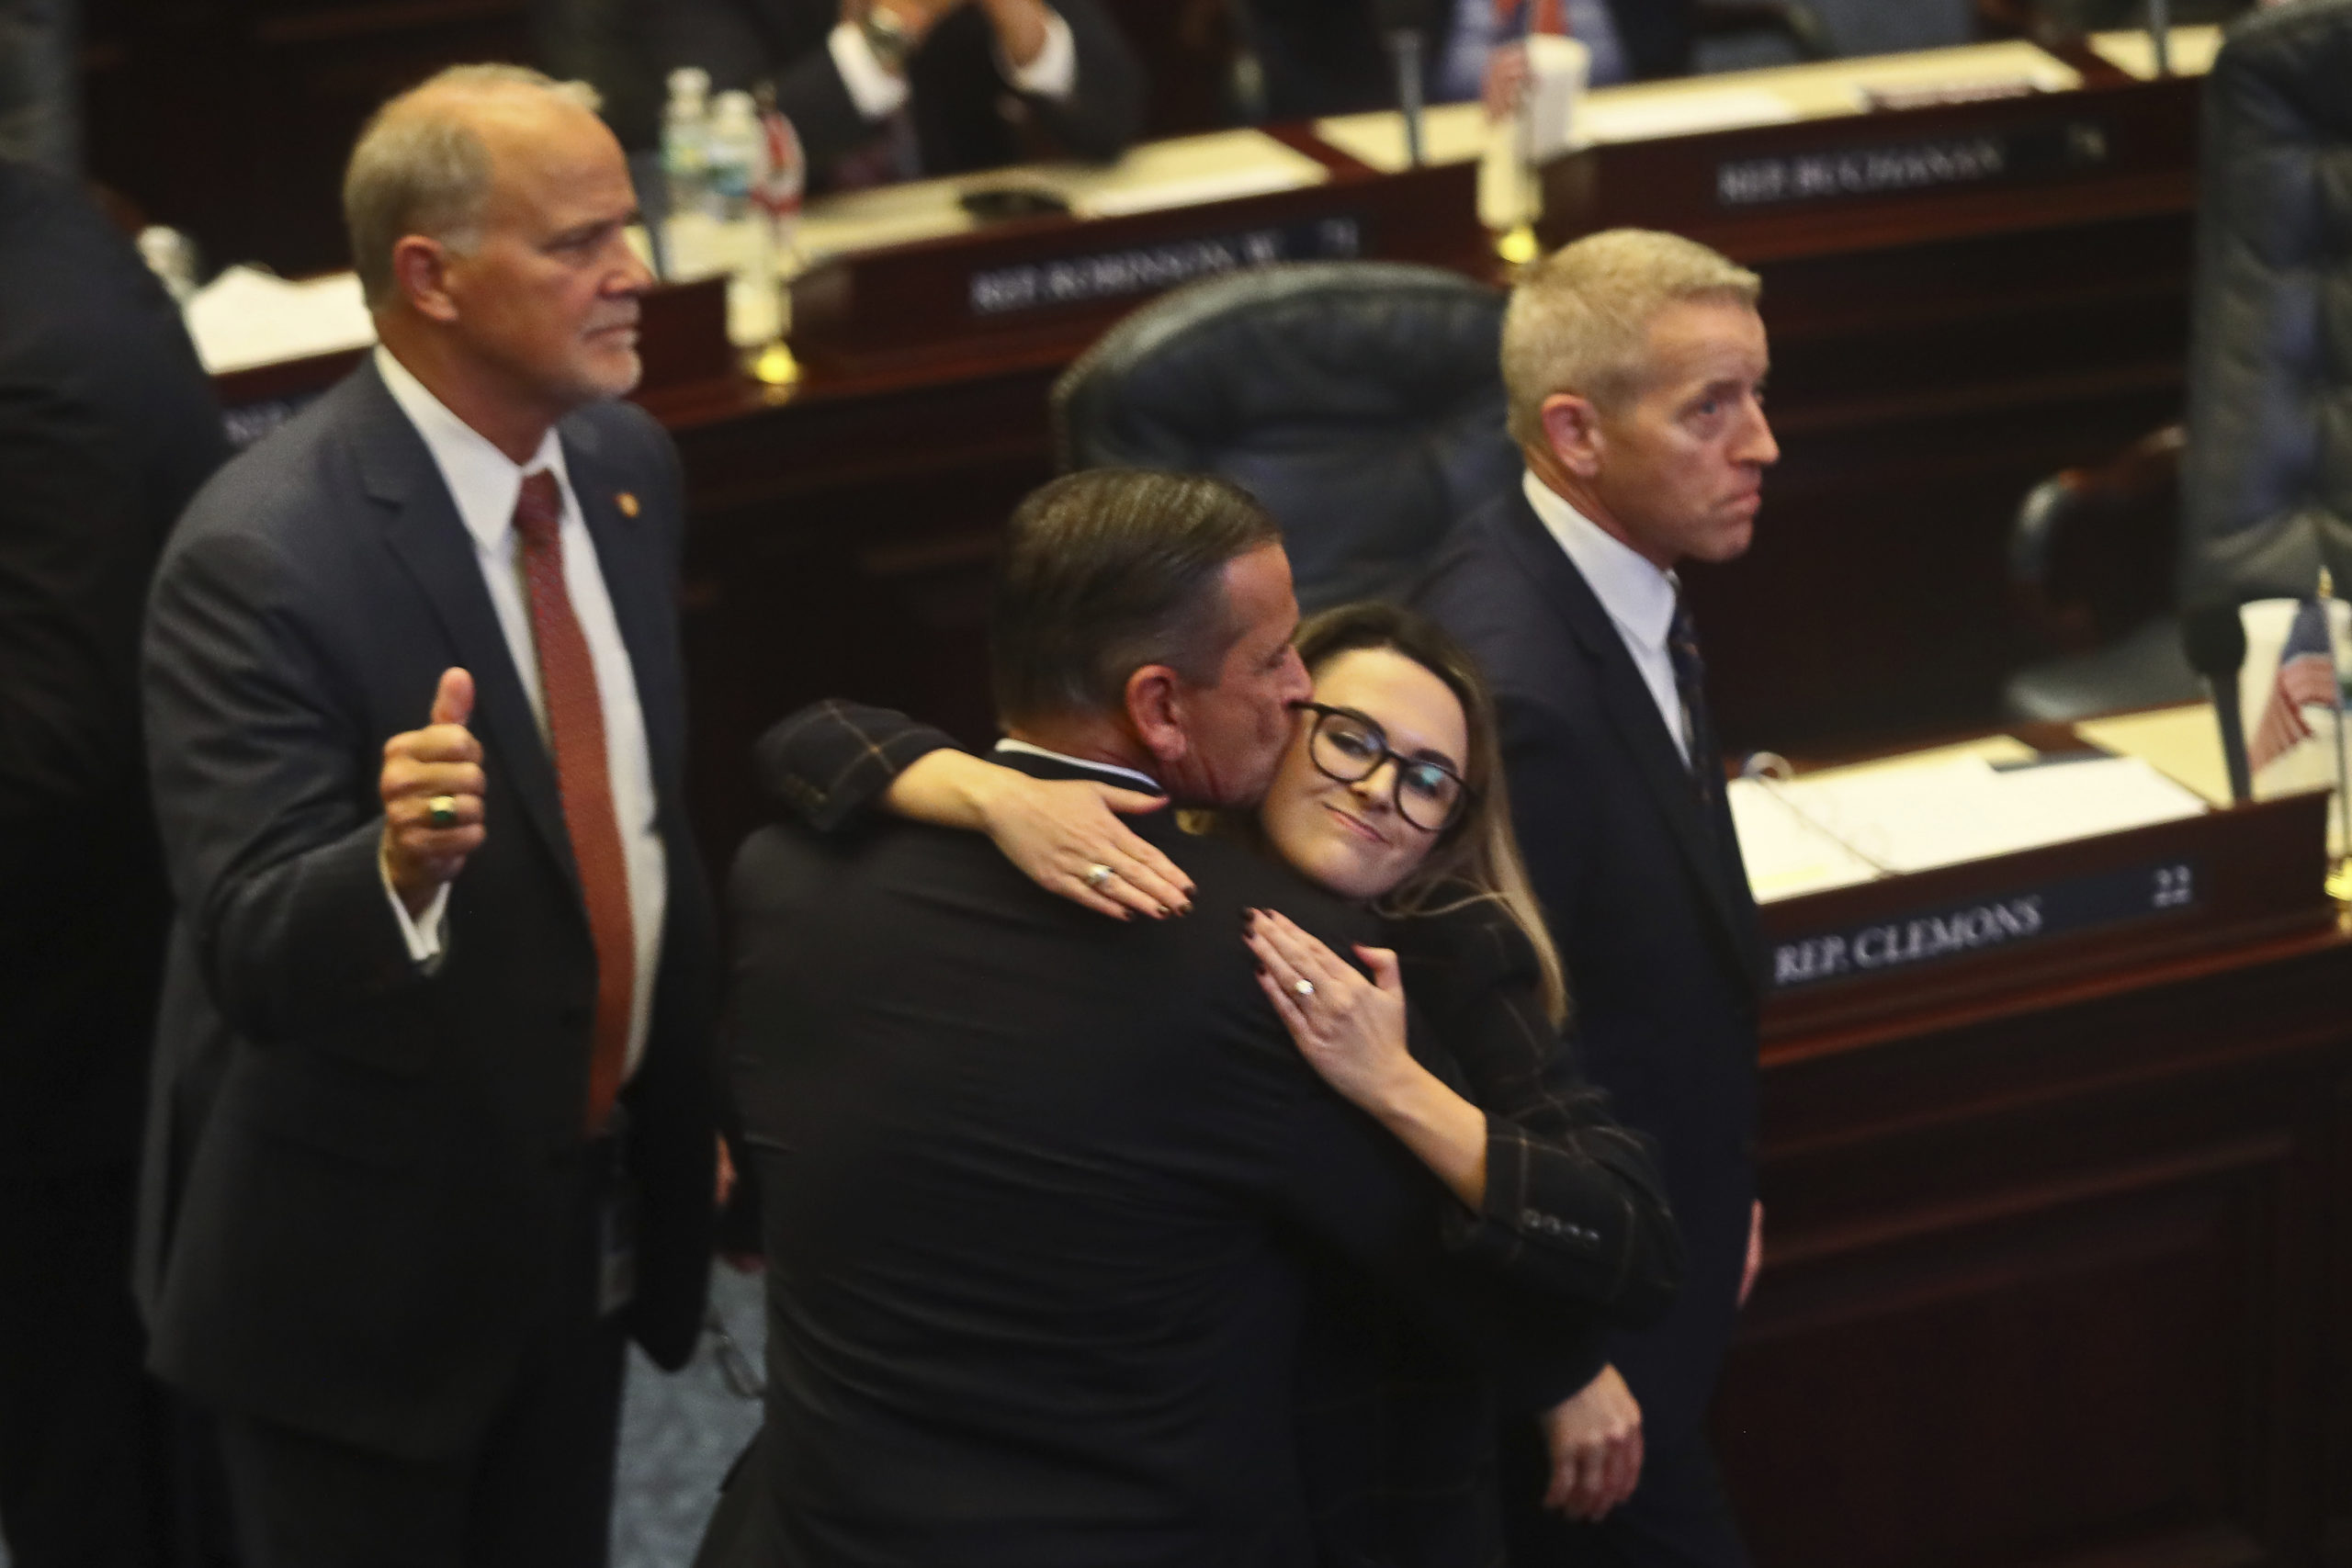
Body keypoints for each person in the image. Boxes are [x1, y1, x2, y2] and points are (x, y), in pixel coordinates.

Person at [709, 468, 1674, 1565]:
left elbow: (761, 1179)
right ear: (1160, 706)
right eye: (1273, 661)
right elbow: (1431, 1258)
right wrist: (1560, 1367)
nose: (1296, 691)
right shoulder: (1274, 964)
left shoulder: (782, 880)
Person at [136, 64, 718, 1568]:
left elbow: (640, 828)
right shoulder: (262, 555)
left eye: (630, 227)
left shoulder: (623, 466)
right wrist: (395, 867)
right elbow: (256, 943)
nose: (635, 272)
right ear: (430, 275)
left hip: (576, 1222)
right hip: (360, 1290)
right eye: (581, 242)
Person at [1413, 226, 1777, 1567]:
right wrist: (1554, 1360)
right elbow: (1466, 1047)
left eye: (1757, 393)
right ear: (1576, 431)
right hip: (1577, 1326)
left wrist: (1721, 1179)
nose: (1762, 444)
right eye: (1711, 409)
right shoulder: (1513, 681)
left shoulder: (1608, 575)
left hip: (1658, 1233)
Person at [0, 156, 226, 1568]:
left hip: (74, 1064)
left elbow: (43, 752)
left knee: (107, 1489)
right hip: (106, 1045)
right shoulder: (45, 238)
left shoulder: (41, 356)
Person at [655, 0, 1143, 191]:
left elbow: (1111, 118)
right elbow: (723, 162)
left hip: (956, 258)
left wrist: (1021, 19)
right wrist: (896, 25)